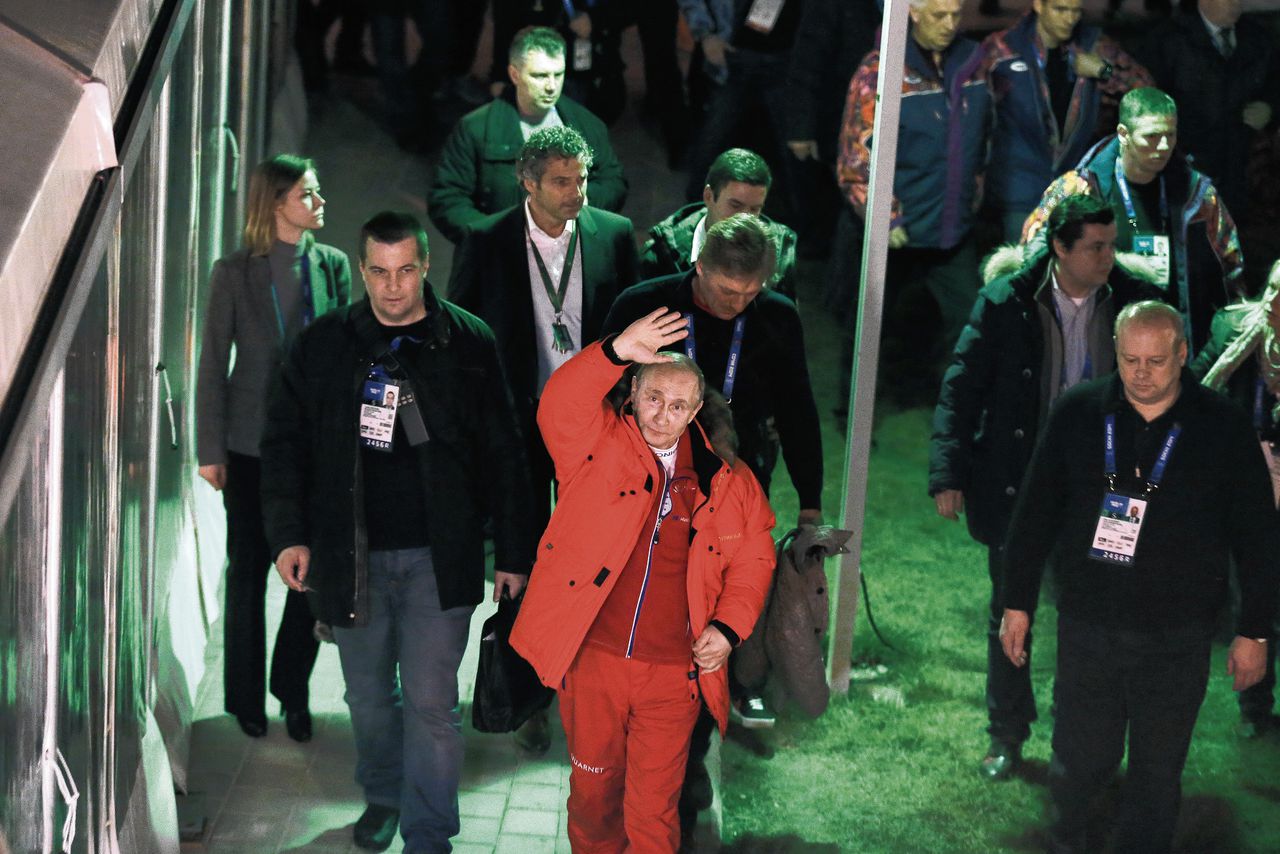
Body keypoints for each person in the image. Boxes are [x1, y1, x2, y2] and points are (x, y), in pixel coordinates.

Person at [259, 212, 534, 852]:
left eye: (405, 270)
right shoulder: (325, 345)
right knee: (370, 699)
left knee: (433, 704)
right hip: (350, 555)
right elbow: (283, 446)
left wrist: (515, 553)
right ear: (362, 270)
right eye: (379, 272)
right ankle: (383, 795)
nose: (392, 287)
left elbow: (506, 452)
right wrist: (288, 535)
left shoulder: (469, 342)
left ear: (425, 266)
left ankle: (430, 835)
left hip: (443, 558)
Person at [1000, 300, 1279, 853]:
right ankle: (1068, 840)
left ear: (1182, 355)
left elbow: (1257, 537)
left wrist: (1256, 631)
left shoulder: (1221, 427)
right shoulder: (1079, 413)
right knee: (1081, 759)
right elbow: (1033, 514)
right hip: (1088, 622)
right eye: (1130, 360)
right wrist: (1017, 603)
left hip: (1178, 634)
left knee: (1157, 771)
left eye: (1156, 361)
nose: (1142, 374)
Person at [509, 309, 776, 853]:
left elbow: (753, 561)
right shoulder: (593, 445)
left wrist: (727, 629)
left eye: (678, 405)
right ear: (632, 391)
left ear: (696, 410)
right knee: (593, 799)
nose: (662, 415)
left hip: (672, 676)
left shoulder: (729, 482)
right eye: (653, 398)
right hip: (593, 663)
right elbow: (560, 404)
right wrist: (612, 351)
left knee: (653, 813)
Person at [929, 194, 1160, 781]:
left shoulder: (1137, 303)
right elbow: (963, 388)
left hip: (1109, 493)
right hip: (1023, 488)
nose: (1110, 257)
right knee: (1012, 610)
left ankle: (1079, 740)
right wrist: (948, 473)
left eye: (1113, 245)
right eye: (1096, 247)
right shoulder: (1005, 302)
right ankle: (1007, 733)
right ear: (1060, 247)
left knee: (1097, 617)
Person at [603, 212, 820, 836]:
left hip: (729, 504)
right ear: (699, 268)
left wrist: (810, 501)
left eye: (750, 292)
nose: (737, 304)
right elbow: (602, 395)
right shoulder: (646, 306)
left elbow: (800, 410)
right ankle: (622, 755)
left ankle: (688, 762)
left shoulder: (776, 317)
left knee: (705, 635)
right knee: (639, 629)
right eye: (726, 291)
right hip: (644, 499)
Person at [447, 125, 638, 756]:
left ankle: (590, 686)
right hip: (519, 424)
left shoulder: (613, 234)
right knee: (523, 563)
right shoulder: (485, 239)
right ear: (527, 182)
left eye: (581, 179)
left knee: (590, 557)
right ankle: (528, 694)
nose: (576, 193)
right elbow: (460, 337)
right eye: (561, 182)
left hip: (595, 422)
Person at [196, 154, 351, 743]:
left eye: (317, 192)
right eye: (308, 194)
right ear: (277, 202)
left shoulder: (332, 265)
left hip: (311, 450)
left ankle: (293, 691)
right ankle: (245, 698)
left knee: (305, 577)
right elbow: (214, 363)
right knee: (247, 574)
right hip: (248, 445)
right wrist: (210, 447)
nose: (319, 203)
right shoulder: (233, 272)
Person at [837, 0, 994, 398]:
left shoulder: (974, 66)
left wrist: (973, 199)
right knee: (869, 328)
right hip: (899, 232)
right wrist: (887, 219)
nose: (949, 25)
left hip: (952, 230)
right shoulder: (880, 72)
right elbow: (856, 159)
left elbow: (983, 143)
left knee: (968, 322)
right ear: (915, 13)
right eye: (939, 15)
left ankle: (952, 408)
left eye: (956, 16)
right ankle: (852, 412)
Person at [1022, 87, 1246, 357]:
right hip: (1098, 345)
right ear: (1123, 135)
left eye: (1170, 135)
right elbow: (1031, 253)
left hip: (1174, 344)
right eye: (1152, 136)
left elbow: (1232, 266)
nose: (1163, 146)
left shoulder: (1198, 196)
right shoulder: (1079, 189)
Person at [428, 25, 627, 245]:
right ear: (514, 74)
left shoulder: (586, 125)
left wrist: (583, 200)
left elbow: (613, 181)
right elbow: (447, 199)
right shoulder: (475, 129)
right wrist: (496, 235)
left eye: (558, 74)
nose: (551, 86)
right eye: (540, 76)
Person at [1191, 259, 1280, 738]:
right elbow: (1196, 385)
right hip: (1246, 479)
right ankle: (1255, 704)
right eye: (1272, 292)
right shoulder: (1233, 329)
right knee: (1253, 586)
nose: (1274, 306)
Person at [981, 0, 1153, 241]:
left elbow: (1146, 93)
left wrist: (1105, 73)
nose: (1069, 19)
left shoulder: (1093, 46)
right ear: (1039, 5)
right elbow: (973, 114)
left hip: (1073, 189)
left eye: (1075, 11)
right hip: (1019, 193)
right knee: (1023, 272)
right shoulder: (1002, 49)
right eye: (1061, 10)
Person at [1133, 0, 1279, 231]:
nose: (1235, 4)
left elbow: (1274, 85)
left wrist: (1269, 107)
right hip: (1188, 165)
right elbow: (1146, 100)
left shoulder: (1258, 38)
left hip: (1245, 169)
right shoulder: (1168, 40)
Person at [677, 0, 807, 233]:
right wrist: (706, 35)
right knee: (711, 142)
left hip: (787, 60)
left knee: (794, 151)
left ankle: (801, 231)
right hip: (734, 56)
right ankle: (692, 223)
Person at [639, 147, 798, 299]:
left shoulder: (780, 250)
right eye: (735, 205)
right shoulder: (662, 253)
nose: (745, 218)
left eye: (755, 209)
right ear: (708, 196)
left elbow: (784, 321)